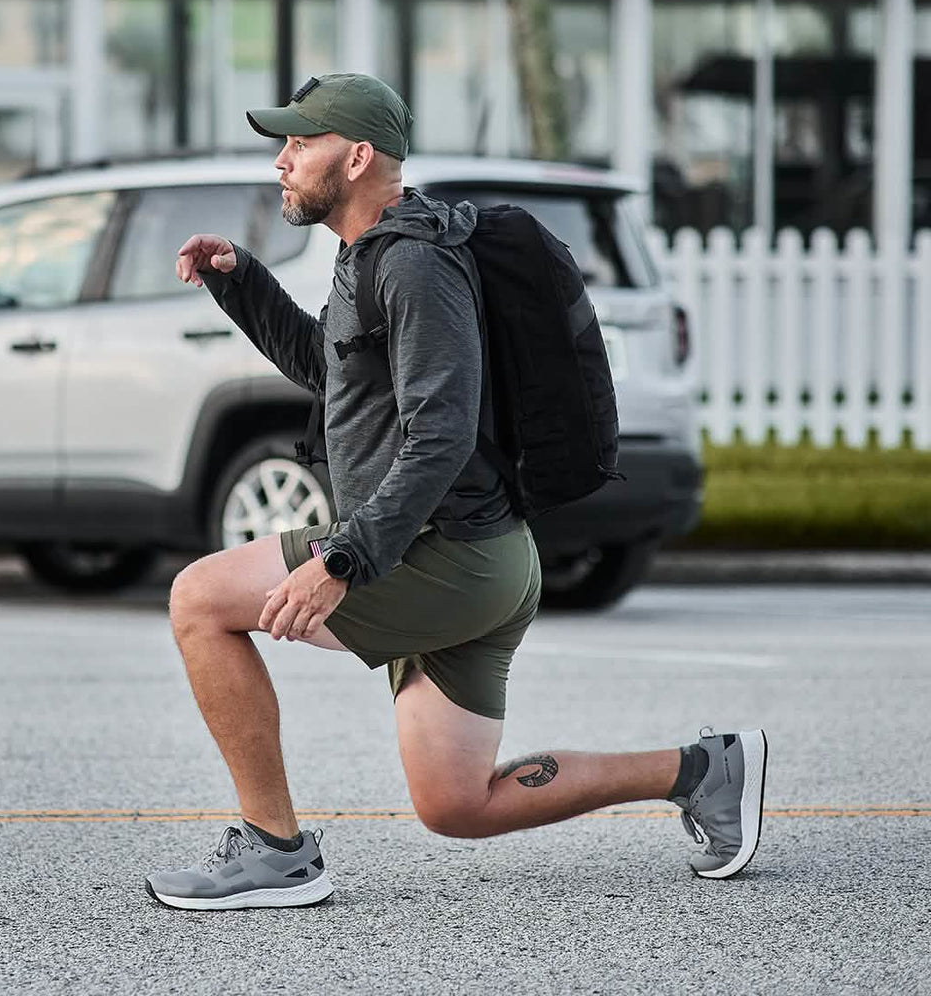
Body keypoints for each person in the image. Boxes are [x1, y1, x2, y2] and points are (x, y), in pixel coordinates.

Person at [145, 73, 767, 911]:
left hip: (442, 554)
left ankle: (274, 851)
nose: (282, 161)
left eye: (300, 142)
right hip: (476, 558)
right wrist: (241, 282)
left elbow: (442, 432)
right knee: (456, 803)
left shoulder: (412, 263)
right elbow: (335, 381)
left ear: (358, 156)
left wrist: (344, 558)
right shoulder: (372, 253)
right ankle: (702, 771)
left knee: (197, 599)